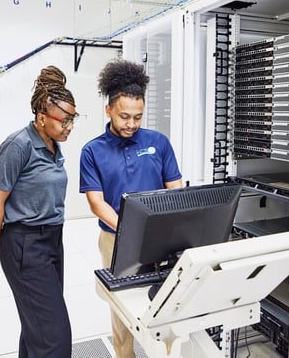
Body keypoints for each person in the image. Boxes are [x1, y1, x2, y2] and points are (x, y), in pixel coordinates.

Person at [79, 59, 183, 358]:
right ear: (108, 109)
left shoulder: (158, 142)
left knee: (166, 301)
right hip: (116, 240)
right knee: (122, 306)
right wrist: (130, 230)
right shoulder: (92, 151)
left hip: (161, 239)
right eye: (124, 116)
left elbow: (174, 188)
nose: (131, 124)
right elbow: (97, 203)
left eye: (137, 117)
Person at [0, 65, 80, 358]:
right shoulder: (19, 145)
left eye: (73, 119)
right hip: (24, 244)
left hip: (51, 241)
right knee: (55, 339)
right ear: (41, 118)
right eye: (64, 120)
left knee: (37, 328)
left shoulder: (51, 144)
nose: (70, 126)